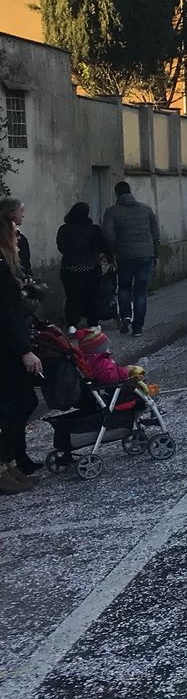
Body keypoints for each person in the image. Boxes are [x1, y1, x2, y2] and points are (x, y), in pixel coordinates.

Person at [0, 198, 42, 492]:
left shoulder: (6, 265)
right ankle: (5, 465)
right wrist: (25, 350)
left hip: (12, 340)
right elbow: (5, 312)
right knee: (16, 404)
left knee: (21, 402)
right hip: (6, 345)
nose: (19, 240)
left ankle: (12, 462)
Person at [101, 180, 160, 337]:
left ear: (116, 194)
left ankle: (126, 315)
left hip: (125, 255)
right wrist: (156, 254)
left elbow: (108, 236)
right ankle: (138, 327)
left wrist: (112, 253)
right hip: (146, 254)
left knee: (124, 287)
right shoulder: (146, 210)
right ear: (130, 192)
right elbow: (155, 234)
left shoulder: (111, 211)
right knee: (140, 291)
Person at [56, 201, 110, 329]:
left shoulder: (64, 229)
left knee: (72, 297)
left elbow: (61, 247)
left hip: (69, 267)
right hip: (90, 267)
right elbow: (102, 246)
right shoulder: (93, 229)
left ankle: (72, 325)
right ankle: (93, 324)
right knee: (93, 296)